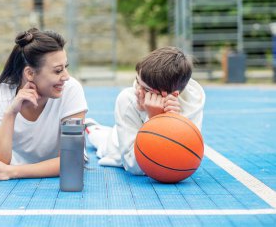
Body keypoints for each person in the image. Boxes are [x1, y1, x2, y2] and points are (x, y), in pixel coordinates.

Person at [0, 28, 88, 180]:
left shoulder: (71, 89)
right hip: (19, 165)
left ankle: (95, 131)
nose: (66, 77)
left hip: (18, 168)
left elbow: (71, 162)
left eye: (65, 68)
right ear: (30, 73)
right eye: (57, 71)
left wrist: (13, 172)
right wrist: (10, 113)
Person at [85, 46, 205, 175]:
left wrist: (166, 120)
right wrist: (155, 120)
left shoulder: (191, 102)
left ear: (174, 95)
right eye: (137, 81)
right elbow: (134, 166)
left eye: (146, 90)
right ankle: (91, 127)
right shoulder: (128, 99)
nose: (138, 91)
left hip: (137, 135)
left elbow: (181, 158)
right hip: (117, 145)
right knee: (101, 141)